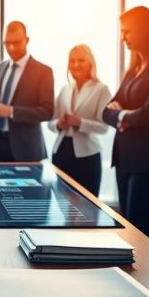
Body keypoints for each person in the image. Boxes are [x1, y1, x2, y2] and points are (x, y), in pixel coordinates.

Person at [102, 7, 149, 241]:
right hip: (125, 158)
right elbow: (106, 111)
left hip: (148, 161)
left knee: (141, 229)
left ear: (144, 31)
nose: (123, 37)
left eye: (127, 31)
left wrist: (121, 115)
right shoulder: (133, 69)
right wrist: (125, 115)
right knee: (128, 228)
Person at [47, 44, 112, 196]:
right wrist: (58, 124)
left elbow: (104, 127)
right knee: (64, 206)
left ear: (91, 62)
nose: (76, 65)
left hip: (87, 155)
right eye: (72, 60)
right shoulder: (65, 89)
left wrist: (80, 122)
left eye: (81, 60)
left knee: (87, 207)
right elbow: (50, 122)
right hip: (61, 152)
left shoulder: (101, 89)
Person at [0, 21, 55, 162]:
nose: (11, 48)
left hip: (26, 150)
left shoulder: (43, 72)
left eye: (16, 43)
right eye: (7, 43)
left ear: (27, 40)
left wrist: (11, 111)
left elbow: (47, 111)